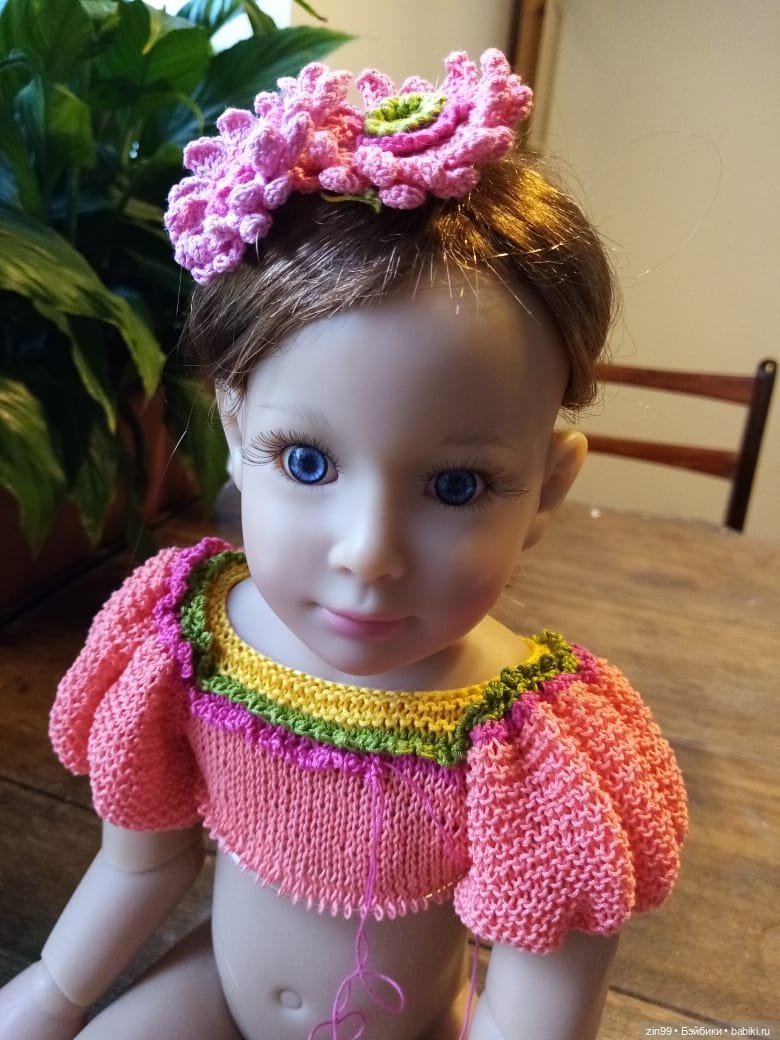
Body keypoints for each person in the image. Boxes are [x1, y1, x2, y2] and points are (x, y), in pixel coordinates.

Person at [0, 50, 687, 1040]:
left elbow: (534, 1013)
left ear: (548, 488)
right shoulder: (185, 643)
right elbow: (141, 860)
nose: (369, 553)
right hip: (218, 991)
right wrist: (50, 995)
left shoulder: (531, 747)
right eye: (308, 461)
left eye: (457, 485)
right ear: (235, 428)